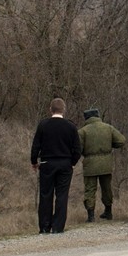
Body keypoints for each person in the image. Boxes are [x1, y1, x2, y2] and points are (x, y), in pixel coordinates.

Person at [30, 97, 82, 233]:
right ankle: (58, 227)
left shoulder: (43, 125)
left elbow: (35, 146)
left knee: (46, 195)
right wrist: (72, 162)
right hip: (65, 164)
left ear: (50, 109)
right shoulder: (71, 126)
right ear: (63, 110)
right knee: (62, 195)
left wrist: (34, 161)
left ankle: (44, 227)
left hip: (47, 163)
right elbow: (77, 149)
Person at [78, 107, 127, 223]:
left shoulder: (82, 131)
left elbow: (77, 148)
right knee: (106, 188)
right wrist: (110, 146)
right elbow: (121, 140)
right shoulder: (108, 128)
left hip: (90, 164)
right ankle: (108, 212)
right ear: (98, 116)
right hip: (106, 163)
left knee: (90, 189)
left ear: (87, 118)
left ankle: (91, 216)